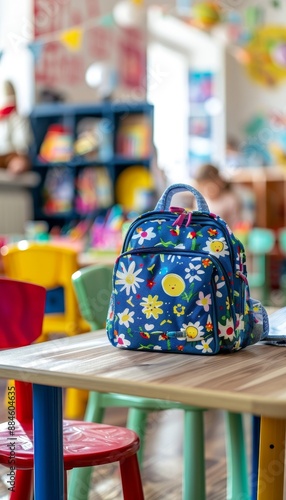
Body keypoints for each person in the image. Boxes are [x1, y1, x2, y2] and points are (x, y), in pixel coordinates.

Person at [193, 163, 244, 230]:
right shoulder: (199, 201)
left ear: (219, 182)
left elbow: (237, 225)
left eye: (210, 185)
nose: (207, 189)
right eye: (203, 186)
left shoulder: (230, 200)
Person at [0, 80, 31, 174]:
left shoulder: (17, 118)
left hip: (10, 157)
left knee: (19, 163)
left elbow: (22, 147)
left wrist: (18, 159)